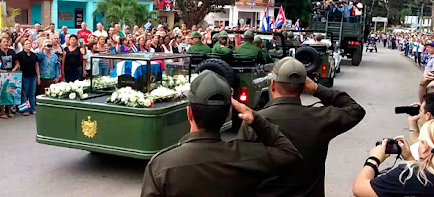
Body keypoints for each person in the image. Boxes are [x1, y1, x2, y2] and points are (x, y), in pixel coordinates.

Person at [141, 70, 302, 196]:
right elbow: (291, 154)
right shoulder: (250, 156)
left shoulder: (161, 166)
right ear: (228, 115)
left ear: (189, 113)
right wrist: (256, 119)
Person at [237, 57, 366, 196]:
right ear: (305, 86)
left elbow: (239, 171)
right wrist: (318, 89)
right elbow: (355, 110)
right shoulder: (320, 117)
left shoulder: (255, 120)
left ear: (272, 85)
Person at [352, 121, 434, 196]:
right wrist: (410, 158)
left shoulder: (408, 175)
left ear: (425, 148)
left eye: (421, 142)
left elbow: (359, 189)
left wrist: (373, 160)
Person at [0, 36, 19, 119]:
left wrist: (14, 69)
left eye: (7, 41)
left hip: (11, 74)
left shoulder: (12, 52)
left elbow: (17, 63)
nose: (6, 43)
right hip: (1, 75)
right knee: (2, 93)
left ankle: (9, 111)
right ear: (0, 43)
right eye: (4, 42)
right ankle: (2, 112)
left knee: (10, 92)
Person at [16, 39, 39, 115]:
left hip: (33, 75)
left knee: (32, 93)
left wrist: (38, 76)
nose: (28, 45)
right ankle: (24, 109)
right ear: (23, 45)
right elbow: (17, 65)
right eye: (26, 44)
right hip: (24, 75)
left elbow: (36, 66)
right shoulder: (20, 55)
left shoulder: (34, 55)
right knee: (24, 93)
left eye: (29, 43)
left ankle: (32, 108)